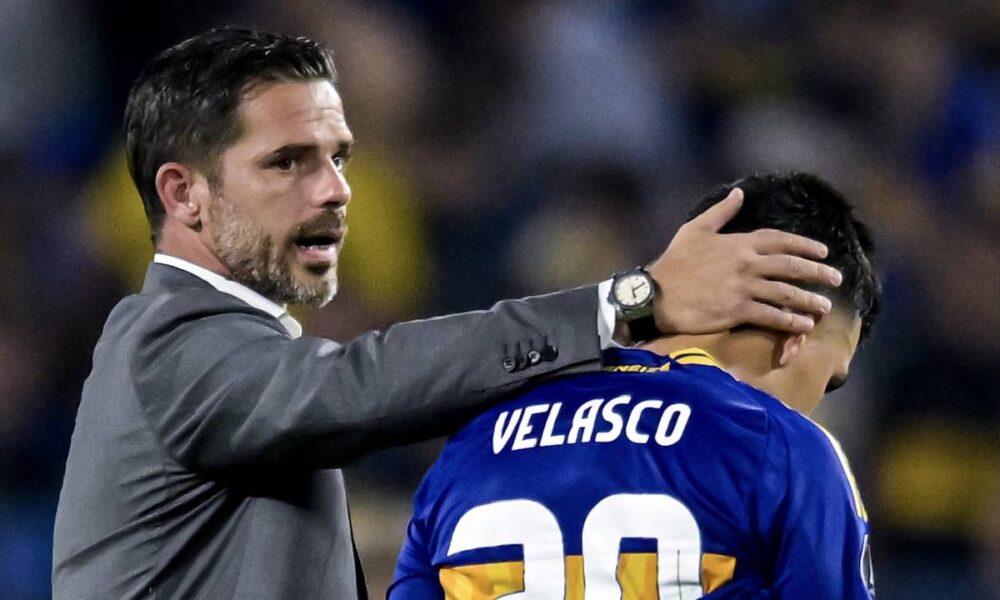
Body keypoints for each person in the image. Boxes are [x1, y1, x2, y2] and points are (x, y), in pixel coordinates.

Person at [51, 27, 843, 600]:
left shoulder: (235, 367)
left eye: (337, 158)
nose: (334, 190)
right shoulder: (164, 347)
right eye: (287, 162)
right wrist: (629, 301)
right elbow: (356, 385)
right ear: (183, 194)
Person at [389, 172, 880, 599]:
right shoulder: (782, 448)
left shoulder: (471, 446)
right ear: (794, 333)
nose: (815, 402)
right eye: (830, 381)